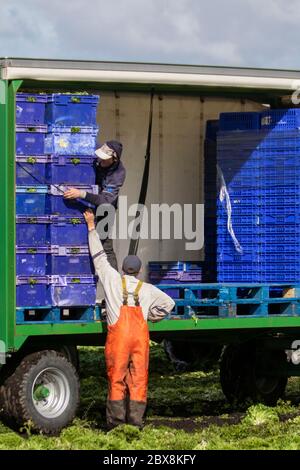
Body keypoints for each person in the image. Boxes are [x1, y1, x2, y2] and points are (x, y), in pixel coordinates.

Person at [83, 209, 175, 430]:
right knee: (139, 380)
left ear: (123, 269)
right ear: (139, 271)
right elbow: (169, 304)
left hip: (119, 338)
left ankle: (116, 424)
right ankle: (135, 423)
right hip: (139, 340)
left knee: (116, 379)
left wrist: (91, 227)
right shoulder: (148, 289)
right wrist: (153, 318)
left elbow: (99, 257)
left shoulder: (113, 280)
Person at [64, 140, 126, 270]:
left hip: (106, 211)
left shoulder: (118, 174)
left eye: (104, 158)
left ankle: (114, 282)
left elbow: (105, 200)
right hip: (86, 201)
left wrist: (81, 194)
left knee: (105, 246)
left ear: (114, 159)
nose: (100, 160)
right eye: (100, 156)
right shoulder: (96, 152)